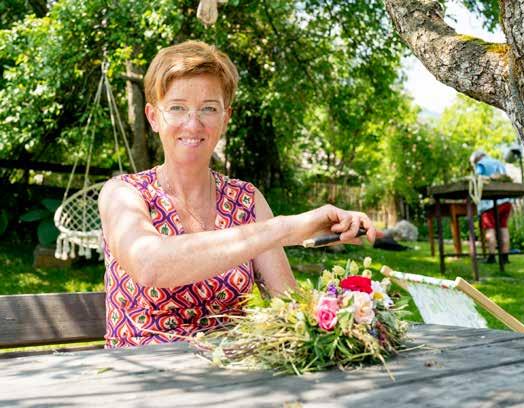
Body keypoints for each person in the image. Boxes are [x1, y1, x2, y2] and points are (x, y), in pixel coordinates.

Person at [98, 40, 377, 348]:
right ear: (153, 117)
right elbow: (150, 264)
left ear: (225, 118)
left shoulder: (245, 199)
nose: (193, 123)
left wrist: (348, 311)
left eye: (209, 108)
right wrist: (289, 228)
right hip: (140, 371)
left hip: (230, 371)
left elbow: (289, 307)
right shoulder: (123, 194)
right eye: (177, 108)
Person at [470, 150, 512, 264]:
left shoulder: (481, 164)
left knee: (490, 229)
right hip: (505, 200)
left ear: (477, 159)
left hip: (489, 203)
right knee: (503, 228)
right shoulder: (499, 162)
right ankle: (505, 257)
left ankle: (492, 256)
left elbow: (477, 179)